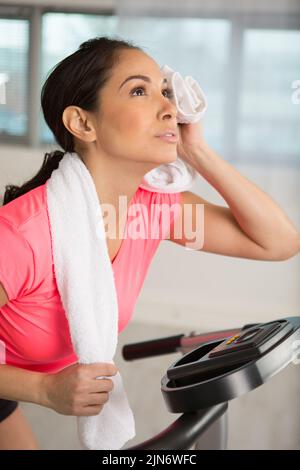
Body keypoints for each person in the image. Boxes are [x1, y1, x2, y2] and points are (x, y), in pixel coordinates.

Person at [0, 35, 299, 450]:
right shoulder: (22, 235)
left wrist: (197, 151)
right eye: (139, 90)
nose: (169, 107)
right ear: (83, 123)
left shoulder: (152, 209)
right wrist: (45, 390)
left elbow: (279, 242)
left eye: (165, 91)